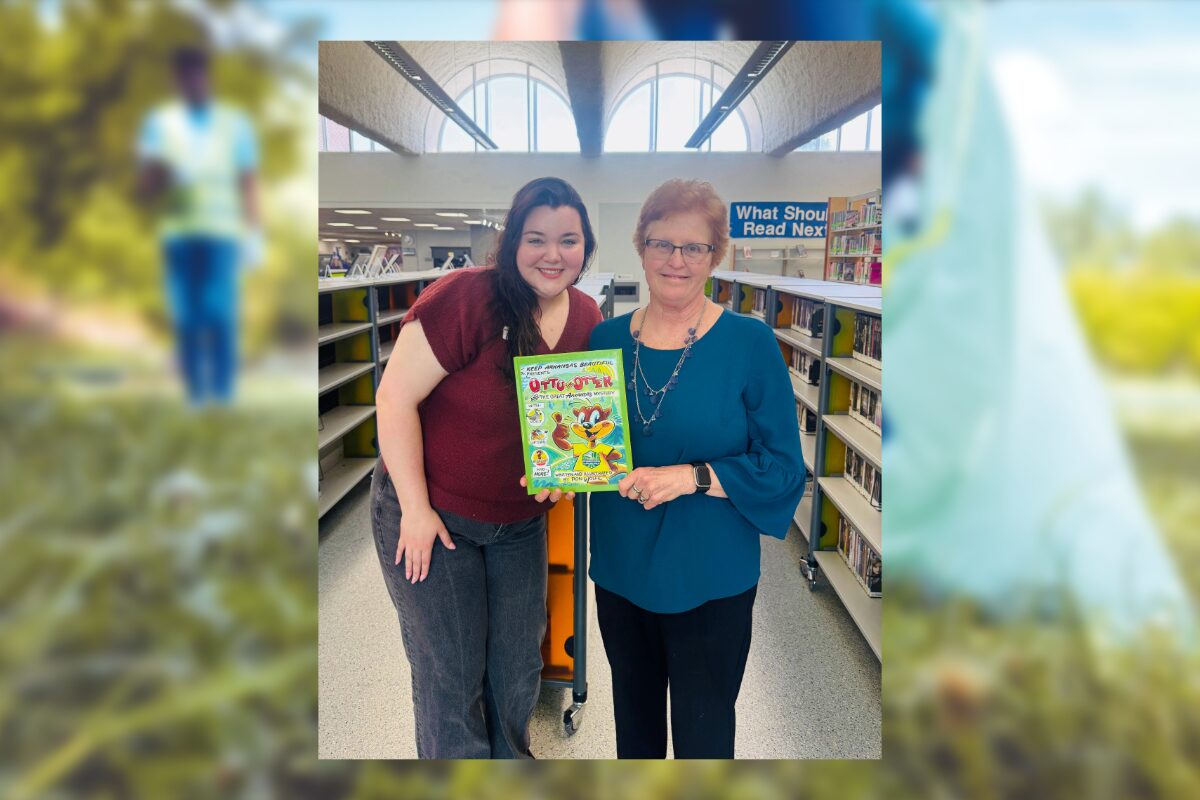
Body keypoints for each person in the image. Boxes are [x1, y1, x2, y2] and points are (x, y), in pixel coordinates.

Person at [370, 177, 603, 759]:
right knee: (451, 673)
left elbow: (572, 424)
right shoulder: (466, 298)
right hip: (432, 511)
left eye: (569, 240)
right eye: (537, 238)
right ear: (512, 243)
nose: (554, 254)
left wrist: (563, 477)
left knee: (517, 669)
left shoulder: (586, 318)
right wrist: (417, 512)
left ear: (586, 247)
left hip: (517, 523)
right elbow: (394, 400)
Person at [587, 179, 806, 758]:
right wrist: (558, 475)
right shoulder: (603, 339)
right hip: (620, 571)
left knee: (704, 739)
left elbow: (785, 468)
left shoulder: (749, 344)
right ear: (640, 246)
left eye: (694, 248)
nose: (676, 261)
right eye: (662, 244)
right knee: (633, 732)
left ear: (716, 255)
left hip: (711, 579)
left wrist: (693, 476)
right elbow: (585, 448)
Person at [137, 45, 261, 406]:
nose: (191, 82)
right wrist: (162, 175)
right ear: (175, 80)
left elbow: (247, 180)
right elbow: (147, 182)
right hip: (177, 235)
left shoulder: (234, 124)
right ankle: (195, 395)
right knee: (186, 316)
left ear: (207, 77)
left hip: (222, 234)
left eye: (197, 75)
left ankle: (221, 395)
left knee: (220, 314)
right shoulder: (160, 124)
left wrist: (253, 235)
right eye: (183, 76)